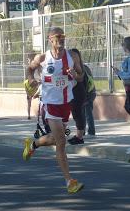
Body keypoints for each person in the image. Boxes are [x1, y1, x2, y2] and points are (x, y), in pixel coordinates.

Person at [22, 27, 85, 194]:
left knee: (56, 138)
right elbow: (29, 69)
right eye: (58, 37)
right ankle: (69, 181)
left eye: (63, 36)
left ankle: (33, 144)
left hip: (66, 103)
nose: (62, 39)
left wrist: (74, 75)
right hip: (50, 104)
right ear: (50, 39)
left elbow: (81, 76)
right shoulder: (42, 58)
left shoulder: (72, 56)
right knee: (62, 143)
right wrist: (31, 80)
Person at [67, 49, 87, 145]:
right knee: (76, 113)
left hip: (77, 90)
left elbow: (80, 77)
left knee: (77, 113)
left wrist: (74, 75)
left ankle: (79, 137)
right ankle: (79, 135)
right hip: (71, 90)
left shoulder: (74, 59)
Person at [83, 64, 96, 135]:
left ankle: (90, 131)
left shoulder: (82, 68)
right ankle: (85, 131)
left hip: (87, 94)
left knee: (87, 114)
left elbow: (85, 83)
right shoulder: (85, 67)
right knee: (87, 113)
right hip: (90, 93)